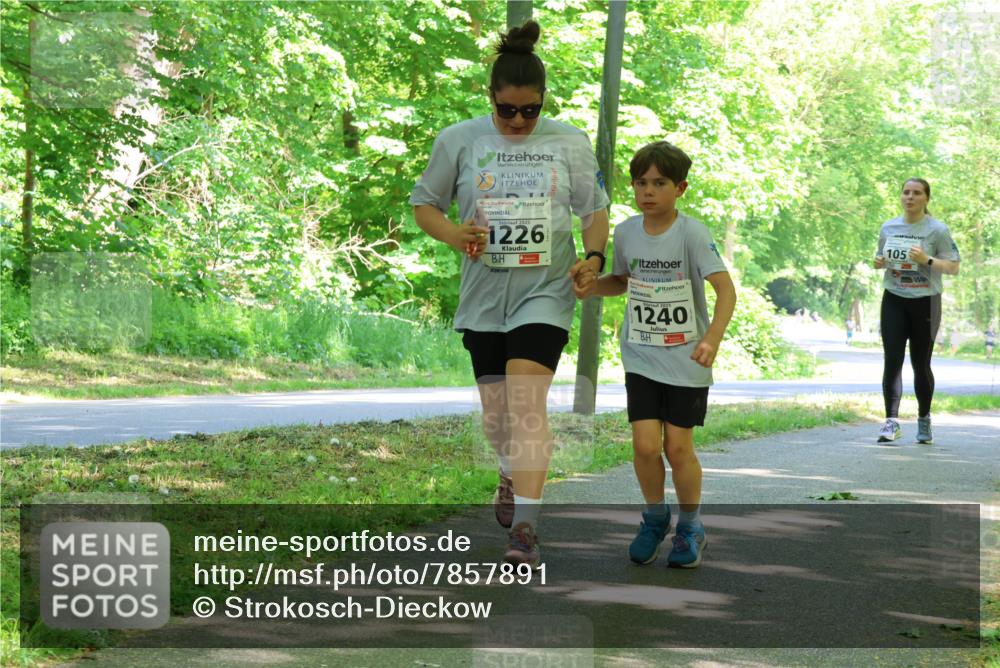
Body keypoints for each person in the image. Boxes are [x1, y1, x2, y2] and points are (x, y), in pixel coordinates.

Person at [410, 20, 609, 567]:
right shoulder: (459, 140)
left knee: (526, 404)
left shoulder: (568, 142)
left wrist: (593, 259)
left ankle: (526, 528)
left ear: (543, 101)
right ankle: (507, 469)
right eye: (507, 110)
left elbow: (594, 211)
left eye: (531, 110)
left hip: (545, 291)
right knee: (498, 417)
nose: (519, 120)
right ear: (490, 97)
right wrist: (454, 234)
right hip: (483, 295)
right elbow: (425, 204)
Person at [574, 141, 736, 568]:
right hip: (642, 356)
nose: (648, 191)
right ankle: (654, 518)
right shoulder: (626, 232)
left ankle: (691, 527)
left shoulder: (692, 233)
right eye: (641, 183)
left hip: (686, 360)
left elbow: (725, 290)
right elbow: (622, 280)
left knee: (678, 448)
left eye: (660, 183)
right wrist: (592, 287)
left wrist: (712, 339)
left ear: (680, 188)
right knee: (645, 446)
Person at [874, 177, 960, 444]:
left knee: (920, 364)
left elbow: (954, 267)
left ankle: (924, 419)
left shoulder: (937, 230)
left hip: (926, 301)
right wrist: (879, 262)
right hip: (894, 298)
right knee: (892, 359)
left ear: (926, 198)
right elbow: (882, 258)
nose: (910, 197)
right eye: (906, 192)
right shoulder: (889, 227)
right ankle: (891, 422)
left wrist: (926, 260)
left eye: (916, 193)